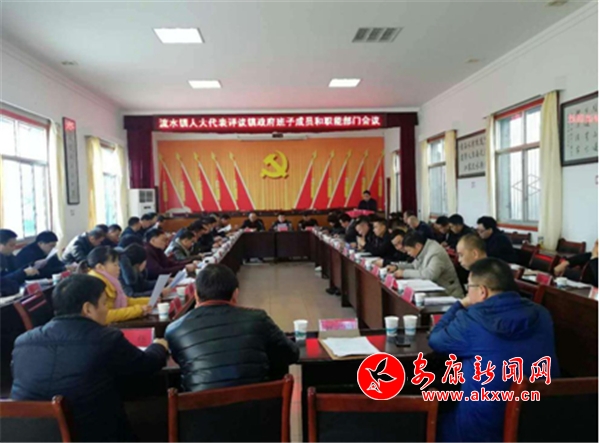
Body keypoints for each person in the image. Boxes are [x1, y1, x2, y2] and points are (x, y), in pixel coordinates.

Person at [10, 274, 169, 442]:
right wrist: (159, 346)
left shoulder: (23, 342)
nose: (107, 310)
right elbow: (146, 366)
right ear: (88, 309)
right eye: (104, 304)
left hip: (30, 435)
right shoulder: (106, 338)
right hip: (92, 435)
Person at [429, 258, 559, 442]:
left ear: (482, 291)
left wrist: (461, 304)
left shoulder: (471, 321)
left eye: (469, 287)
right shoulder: (542, 314)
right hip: (538, 425)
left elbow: (435, 339)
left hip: (479, 432)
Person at [166, 264, 299, 392]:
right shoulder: (257, 319)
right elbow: (292, 354)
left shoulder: (175, 330)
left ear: (196, 295)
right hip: (258, 405)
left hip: (200, 407)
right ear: (235, 294)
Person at [86, 246, 153, 323]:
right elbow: (105, 315)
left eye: (118, 265)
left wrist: (150, 301)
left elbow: (126, 301)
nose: (119, 268)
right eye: (115, 265)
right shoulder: (94, 284)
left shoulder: (110, 281)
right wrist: (138, 310)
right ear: (100, 267)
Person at [390, 231, 464, 299]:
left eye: (409, 250)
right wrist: (397, 267)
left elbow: (430, 275)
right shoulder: (422, 250)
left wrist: (404, 273)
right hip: (433, 294)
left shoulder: (435, 253)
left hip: (448, 295)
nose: (408, 253)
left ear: (417, 246)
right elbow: (414, 266)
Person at [1, 229, 39, 295]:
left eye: (15, 245)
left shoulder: (10, 257)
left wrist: (30, 266)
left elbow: (15, 271)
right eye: (11, 245)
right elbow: (3, 281)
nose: (14, 248)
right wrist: (23, 273)